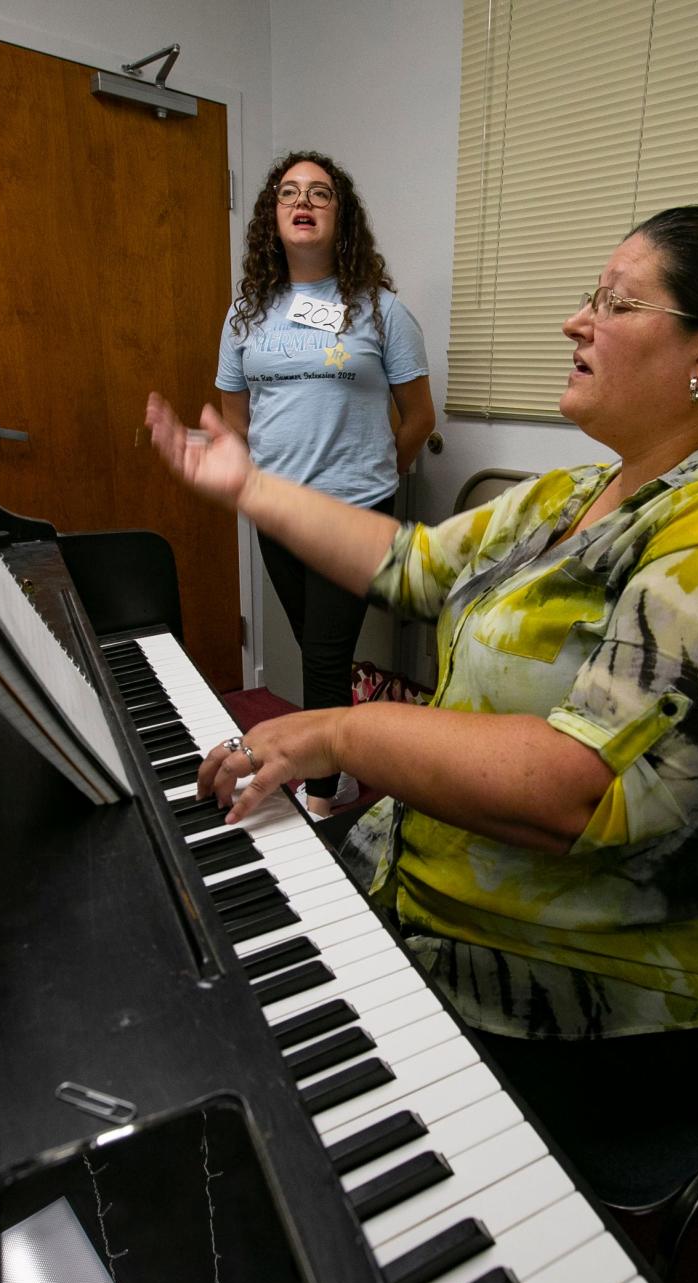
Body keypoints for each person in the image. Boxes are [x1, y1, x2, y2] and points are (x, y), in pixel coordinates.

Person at [146, 204, 698, 1148]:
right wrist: (248, 486)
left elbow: (583, 788)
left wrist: (337, 733)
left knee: (255, 1088)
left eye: (615, 301)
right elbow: (408, 562)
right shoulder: (574, 494)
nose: (578, 320)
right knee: (191, 948)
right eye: (588, 297)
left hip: (607, 991)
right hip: (429, 901)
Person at [216, 150, 435, 818]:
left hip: (354, 510)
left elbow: (419, 416)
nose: (302, 201)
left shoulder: (381, 312)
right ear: (273, 216)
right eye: (288, 192)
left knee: (326, 651)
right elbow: (234, 416)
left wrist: (372, 477)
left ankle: (321, 787)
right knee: (317, 646)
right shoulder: (246, 315)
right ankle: (335, 756)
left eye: (319, 192)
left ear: (341, 216)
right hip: (278, 511)